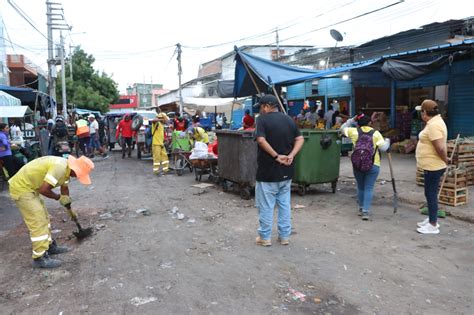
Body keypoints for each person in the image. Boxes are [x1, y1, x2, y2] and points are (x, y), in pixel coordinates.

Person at [8, 155, 94, 268]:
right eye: (79, 175)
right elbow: (44, 189)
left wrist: (68, 207)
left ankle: (48, 246)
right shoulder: (60, 168)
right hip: (22, 188)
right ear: (75, 170)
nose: (78, 177)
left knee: (44, 217)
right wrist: (59, 198)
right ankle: (39, 258)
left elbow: (64, 188)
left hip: (31, 188)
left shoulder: (67, 169)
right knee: (38, 221)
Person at [254, 95, 304, 246]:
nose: (261, 110)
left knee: (266, 205)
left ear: (267, 106)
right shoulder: (289, 119)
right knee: (284, 205)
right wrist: (291, 156)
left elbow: (261, 140)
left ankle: (265, 237)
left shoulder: (261, 120)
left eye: (261, 107)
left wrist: (276, 156)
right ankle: (284, 237)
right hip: (286, 171)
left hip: (268, 172)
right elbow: (300, 139)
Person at [341, 113, 390, 220]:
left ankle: (361, 207)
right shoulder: (376, 133)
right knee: (369, 188)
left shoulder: (354, 131)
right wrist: (387, 141)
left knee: (360, 186)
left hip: (357, 164)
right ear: (370, 123)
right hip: (373, 164)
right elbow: (384, 148)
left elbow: (342, 128)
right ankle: (365, 211)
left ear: (357, 123)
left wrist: (351, 120)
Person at [415, 100, 448, 234]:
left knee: (431, 194)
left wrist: (446, 160)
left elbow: (439, 147)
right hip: (431, 165)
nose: (420, 114)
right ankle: (431, 218)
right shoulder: (433, 123)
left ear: (424, 112)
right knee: (429, 194)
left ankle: (433, 225)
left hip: (434, 166)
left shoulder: (434, 126)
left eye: (421, 111)